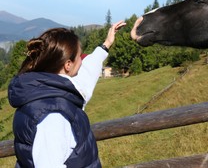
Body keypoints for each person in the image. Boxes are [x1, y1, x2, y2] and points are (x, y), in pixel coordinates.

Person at [8, 20, 126, 168]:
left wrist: (106, 44)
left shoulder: (48, 87)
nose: (82, 61)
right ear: (68, 64)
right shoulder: (53, 116)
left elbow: (87, 72)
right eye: (79, 57)